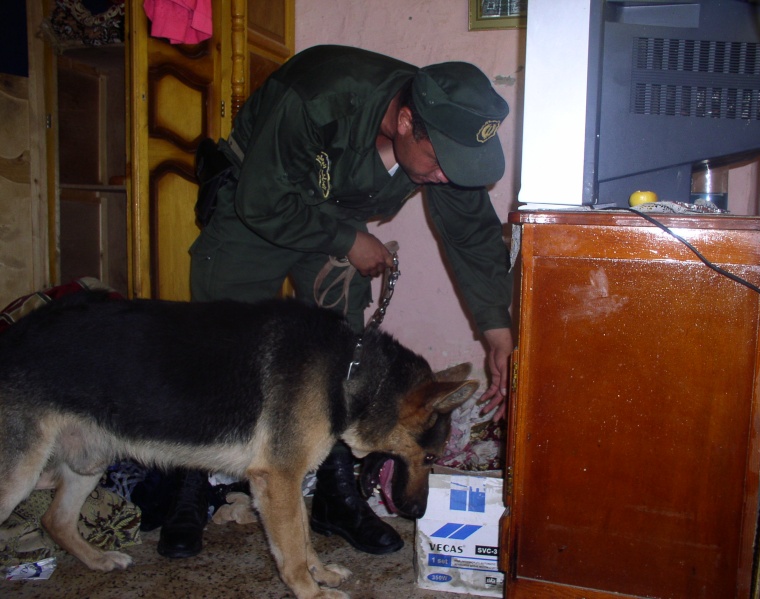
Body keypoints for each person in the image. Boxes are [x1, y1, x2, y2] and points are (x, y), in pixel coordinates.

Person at [155, 44, 514, 559]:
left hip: (334, 215)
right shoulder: (321, 94)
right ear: (406, 120)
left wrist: (497, 332)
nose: (444, 177)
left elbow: (473, 236)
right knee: (219, 350)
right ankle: (189, 490)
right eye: (437, 163)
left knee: (344, 360)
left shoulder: (444, 130)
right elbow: (264, 197)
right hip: (257, 203)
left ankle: (333, 494)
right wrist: (349, 239)